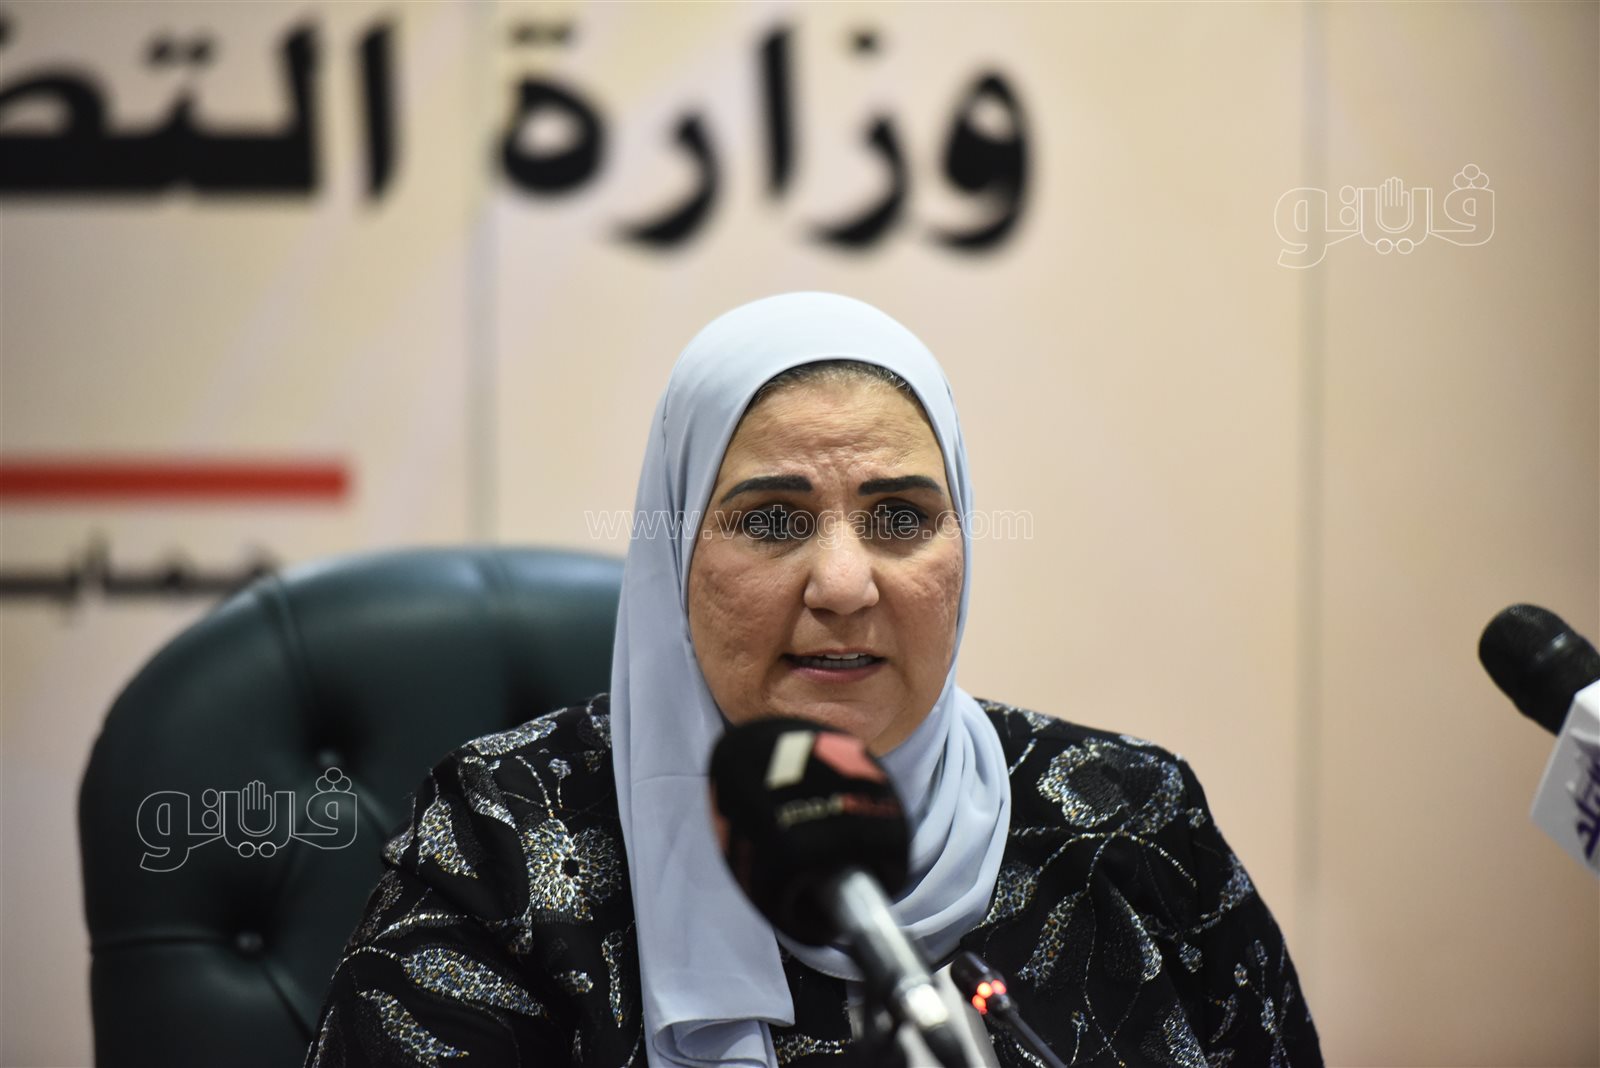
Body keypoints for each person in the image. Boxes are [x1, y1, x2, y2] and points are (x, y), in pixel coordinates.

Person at [305, 293, 1322, 1067]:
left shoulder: (1128, 824)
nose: (842, 584)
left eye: (900, 519)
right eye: (772, 520)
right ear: (674, 560)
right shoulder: (506, 843)